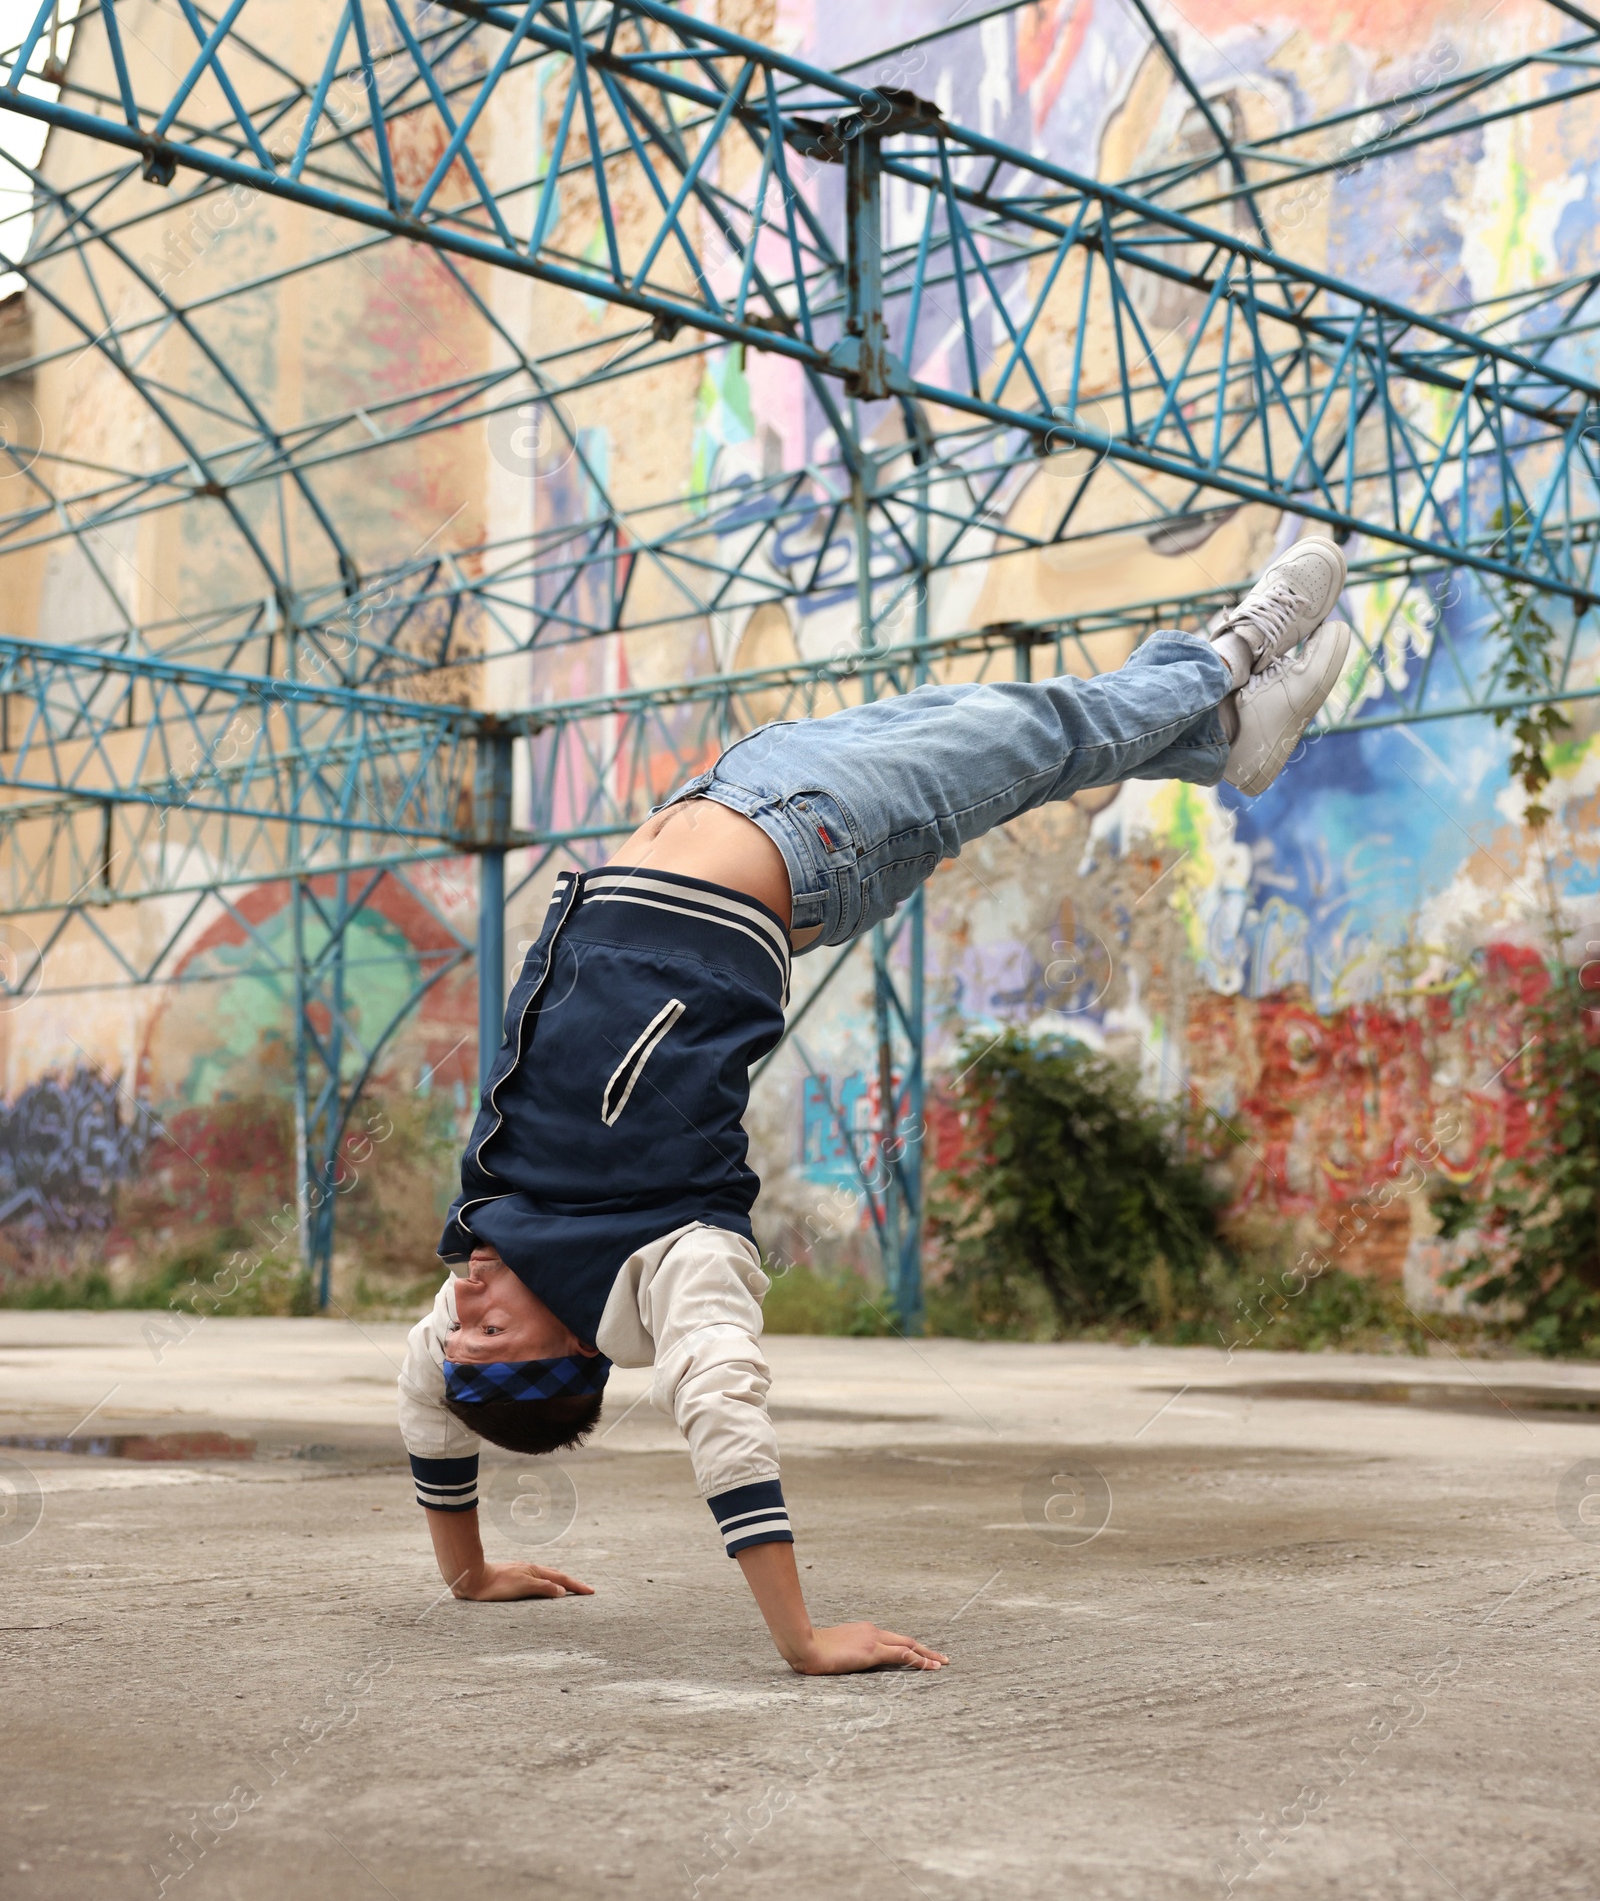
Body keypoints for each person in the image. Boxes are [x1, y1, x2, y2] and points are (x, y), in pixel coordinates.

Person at [399, 538, 1350, 1673]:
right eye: (488, 1329)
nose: (460, 1302)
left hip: (735, 786)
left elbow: (428, 1398)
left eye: (459, 1323)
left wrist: (468, 1569)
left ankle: (1229, 742)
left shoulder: (498, 1244)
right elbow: (726, 1419)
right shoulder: (668, 1261)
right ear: (563, 1342)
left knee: (1006, 721)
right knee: (1048, 729)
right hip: (813, 838)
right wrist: (799, 1635)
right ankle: (1239, 643)